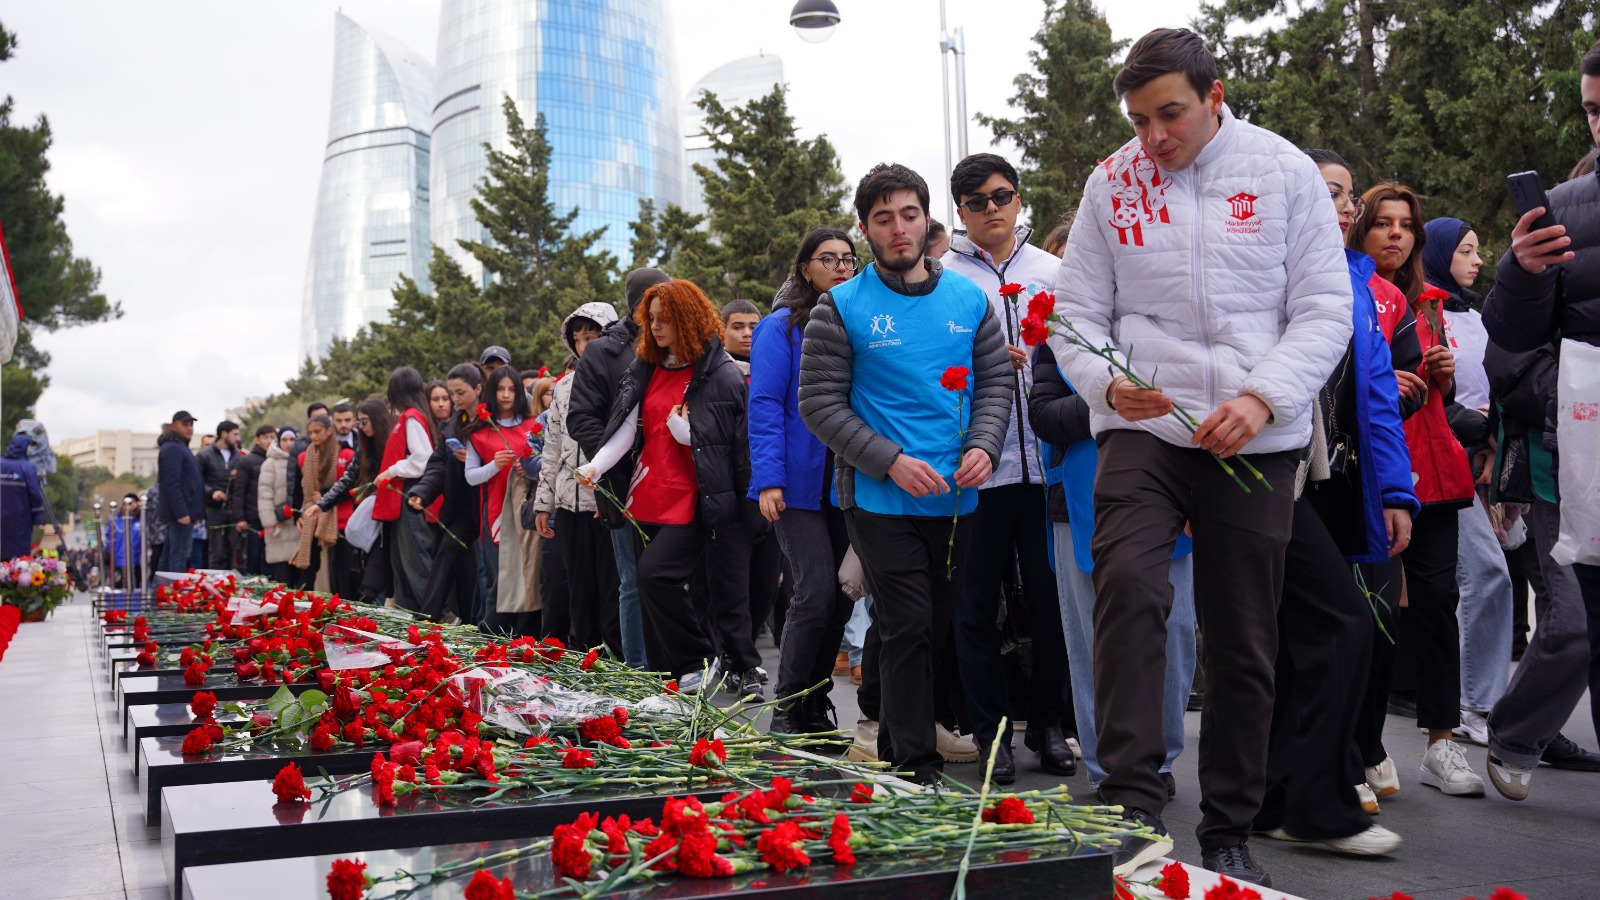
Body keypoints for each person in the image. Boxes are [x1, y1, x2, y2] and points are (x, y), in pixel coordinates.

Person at [1048, 29, 1352, 883]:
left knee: (1244, 634)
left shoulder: (1285, 172)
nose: (1154, 137)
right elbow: (1075, 318)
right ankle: (1134, 798)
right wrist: (1110, 387)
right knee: (1130, 587)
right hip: (1144, 426)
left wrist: (1264, 397)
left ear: (1215, 95)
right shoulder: (1112, 182)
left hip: (1254, 432)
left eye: (1170, 114)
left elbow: (1326, 308)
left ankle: (1229, 822)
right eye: (1139, 119)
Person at [800, 162, 1014, 784]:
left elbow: (997, 380)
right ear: (866, 229)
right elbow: (818, 404)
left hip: (956, 500)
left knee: (925, 630)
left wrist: (986, 445)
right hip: (877, 500)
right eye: (884, 218)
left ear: (926, 219)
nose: (899, 228)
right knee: (909, 626)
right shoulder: (838, 308)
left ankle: (894, 742)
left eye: (910, 214)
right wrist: (888, 459)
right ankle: (917, 768)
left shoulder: (970, 300)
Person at [1247, 147, 1415, 857]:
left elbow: (1375, 394)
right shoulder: (1260, 270)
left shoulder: (1358, 280)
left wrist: (1397, 492)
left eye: (1348, 195)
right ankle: (1308, 799)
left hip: (1332, 483)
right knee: (1324, 628)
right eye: (1328, 192)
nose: (1344, 206)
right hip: (1258, 475)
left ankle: (1287, 797)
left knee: (1319, 634)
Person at [1479, 39, 1600, 798]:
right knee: (1574, 621)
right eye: (1593, 111)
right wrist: (1517, 274)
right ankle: (1514, 735)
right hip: (1573, 451)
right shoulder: (1563, 208)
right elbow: (1510, 344)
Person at [942, 151, 1076, 782]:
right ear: (960, 213)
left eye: (1001, 196)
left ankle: (1050, 724)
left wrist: (1045, 362)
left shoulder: (1056, 270)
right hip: (974, 469)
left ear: (1019, 199)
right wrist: (984, 368)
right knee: (974, 608)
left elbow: (1087, 354)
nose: (991, 209)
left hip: (1049, 467)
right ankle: (991, 731)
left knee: (1053, 606)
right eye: (976, 202)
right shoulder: (942, 279)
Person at [1350, 182, 1483, 799]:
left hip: (1434, 473)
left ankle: (1441, 742)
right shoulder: (1344, 292)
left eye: (1406, 225)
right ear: (1362, 231)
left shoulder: (1431, 302)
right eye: (1383, 223)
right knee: (1372, 612)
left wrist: (1440, 381)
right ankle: (1365, 746)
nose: (1396, 235)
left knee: (1435, 603)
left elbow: (1439, 405)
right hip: (1373, 474)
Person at [580, 279, 763, 697]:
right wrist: (596, 465)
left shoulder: (721, 375)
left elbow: (733, 442)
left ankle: (703, 658)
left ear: (688, 319)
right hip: (651, 493)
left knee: (656, 575)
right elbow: (627, 424)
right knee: (651, 583)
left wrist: (689, 434)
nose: (655, 327)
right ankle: (679, 672)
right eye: (651, 319)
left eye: (664, 319)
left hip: (700, 497)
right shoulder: (646, 365)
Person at [752, 227, 863, 735]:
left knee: (843, 596)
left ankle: (815, 706)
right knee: (814, 590)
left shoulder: (862, 321)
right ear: (805, 270)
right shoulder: (780, 328)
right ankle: (787, 707)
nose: (842, 267)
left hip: (850, 483)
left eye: (848, 258)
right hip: (795, 487)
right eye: (829, 259)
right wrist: (769, 478)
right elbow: (766, 404)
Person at [1421, 216, 1515, 745]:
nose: (1477, 261)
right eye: (1466, 251)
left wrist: (1492, 437)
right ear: (1438, 255)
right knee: (1484, 574)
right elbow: (1436, 390)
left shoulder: (1476, 314)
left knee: (1480, 578)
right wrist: (1478, 431)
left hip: (1481, 460)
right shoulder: (1426, 309)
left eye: (1478, 251)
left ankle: (1476, 704)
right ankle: (1476, 706)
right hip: (1439, 459)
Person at [569, 267, 673, 668]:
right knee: (632, 582)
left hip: (676, 480)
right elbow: (580, 418)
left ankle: (679, 668)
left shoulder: (680, 343)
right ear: (637, 305)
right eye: (656, 300)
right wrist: (619, 458)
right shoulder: (603, 352)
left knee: (672, 577)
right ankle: (641, 671)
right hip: (625, 483)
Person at [535, 301, 622, 654]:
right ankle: (586, 659)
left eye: (593, 334)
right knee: (577, 589)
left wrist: (608, 494)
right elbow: (552, 448)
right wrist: (544, 502)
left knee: (612, 589)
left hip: (609, 503)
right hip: (569, 506)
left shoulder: (624, 376)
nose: (586, 344)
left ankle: (617, 661)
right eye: (578, 337)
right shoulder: (563, 387)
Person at [466, 365, 541, 633]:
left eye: (512, 389)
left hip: (530, 512)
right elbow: (471, 476)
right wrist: (494, 466)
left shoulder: (535, 425)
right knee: (502, 579)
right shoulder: (478, 431)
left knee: (529, 575)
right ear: (491, 392)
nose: (506, 395)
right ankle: (492, 637)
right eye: (500, 389)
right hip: (496, 514)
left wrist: (529, 468)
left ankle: (526, 638)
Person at [409, 366, 484, 623]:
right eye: (452, 394)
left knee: (477, 569)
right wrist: (422, 492)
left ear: (478, 389)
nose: (455, 400)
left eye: (460, 392)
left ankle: (480, 624)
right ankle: (427, 619)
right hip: (460, 505)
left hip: (488, 504)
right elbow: (437, 464)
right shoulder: (453, 424)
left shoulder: (490, 419)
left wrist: (475, 458)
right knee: (447, 554)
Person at [292, 413, 354, 592]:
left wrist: (326, 496)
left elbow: (352, 487)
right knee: (308, 568)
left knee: (341, 571)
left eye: (317, 432)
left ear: (329, 431)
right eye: (310, 433)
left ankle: (345, 609)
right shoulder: (304, 457)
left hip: (341, 519)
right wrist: (297, 515)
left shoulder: (347, 453)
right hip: (311, 517)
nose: (313, 436)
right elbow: (297, 489)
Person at [285, 402, 328, 588]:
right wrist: (296, 514)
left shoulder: (340, 448)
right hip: (309, 510)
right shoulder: (301, 449)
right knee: (309, 562)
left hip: (331, 512)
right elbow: (293, 484)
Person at [155, 412, 204, 575]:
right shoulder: (172, 448)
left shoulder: (179, 446)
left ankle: (162, 594)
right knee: (178, 555)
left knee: (173, 554)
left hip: (185, 512)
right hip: (180, 514)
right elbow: (171, 483)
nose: (189, 428)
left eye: (191, 425)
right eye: (185, 424)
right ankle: (171, 595)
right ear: (174, 425)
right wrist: (181, 512)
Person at [231, 424, 275, 576]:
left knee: (270, 558)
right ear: (257, 440)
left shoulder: (276, 459)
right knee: (253, 557)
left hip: (272, 517)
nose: (269, 441)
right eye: (265, 437)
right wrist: (240, 518)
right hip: (253, 517)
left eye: (272, 437)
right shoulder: (247, 461)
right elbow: (239, 491)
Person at [197, 421, 242, 569]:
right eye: (235, 434)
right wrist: (212, 492)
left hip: (234, 509)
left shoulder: (238, 455)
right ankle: (216, 586)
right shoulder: (204, 455)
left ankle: (233, 586)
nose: (237, 438)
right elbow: (197, 482)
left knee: (234, 551)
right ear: (224, 434)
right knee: (217, 552)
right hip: (214, 509)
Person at [257, 428, 298, 584]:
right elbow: (264, 494)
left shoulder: (301, 460)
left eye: (292, 439)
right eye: (284, 440)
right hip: (278, 523)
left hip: (296, 524)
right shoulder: (270, 463)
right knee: (282, 574)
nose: (288, 443)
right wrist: (269, 521)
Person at [1, 433, 45, 561]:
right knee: (18, 560)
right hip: (20, 522)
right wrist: (38, 518)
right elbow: (35, 495)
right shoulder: (27, 468)